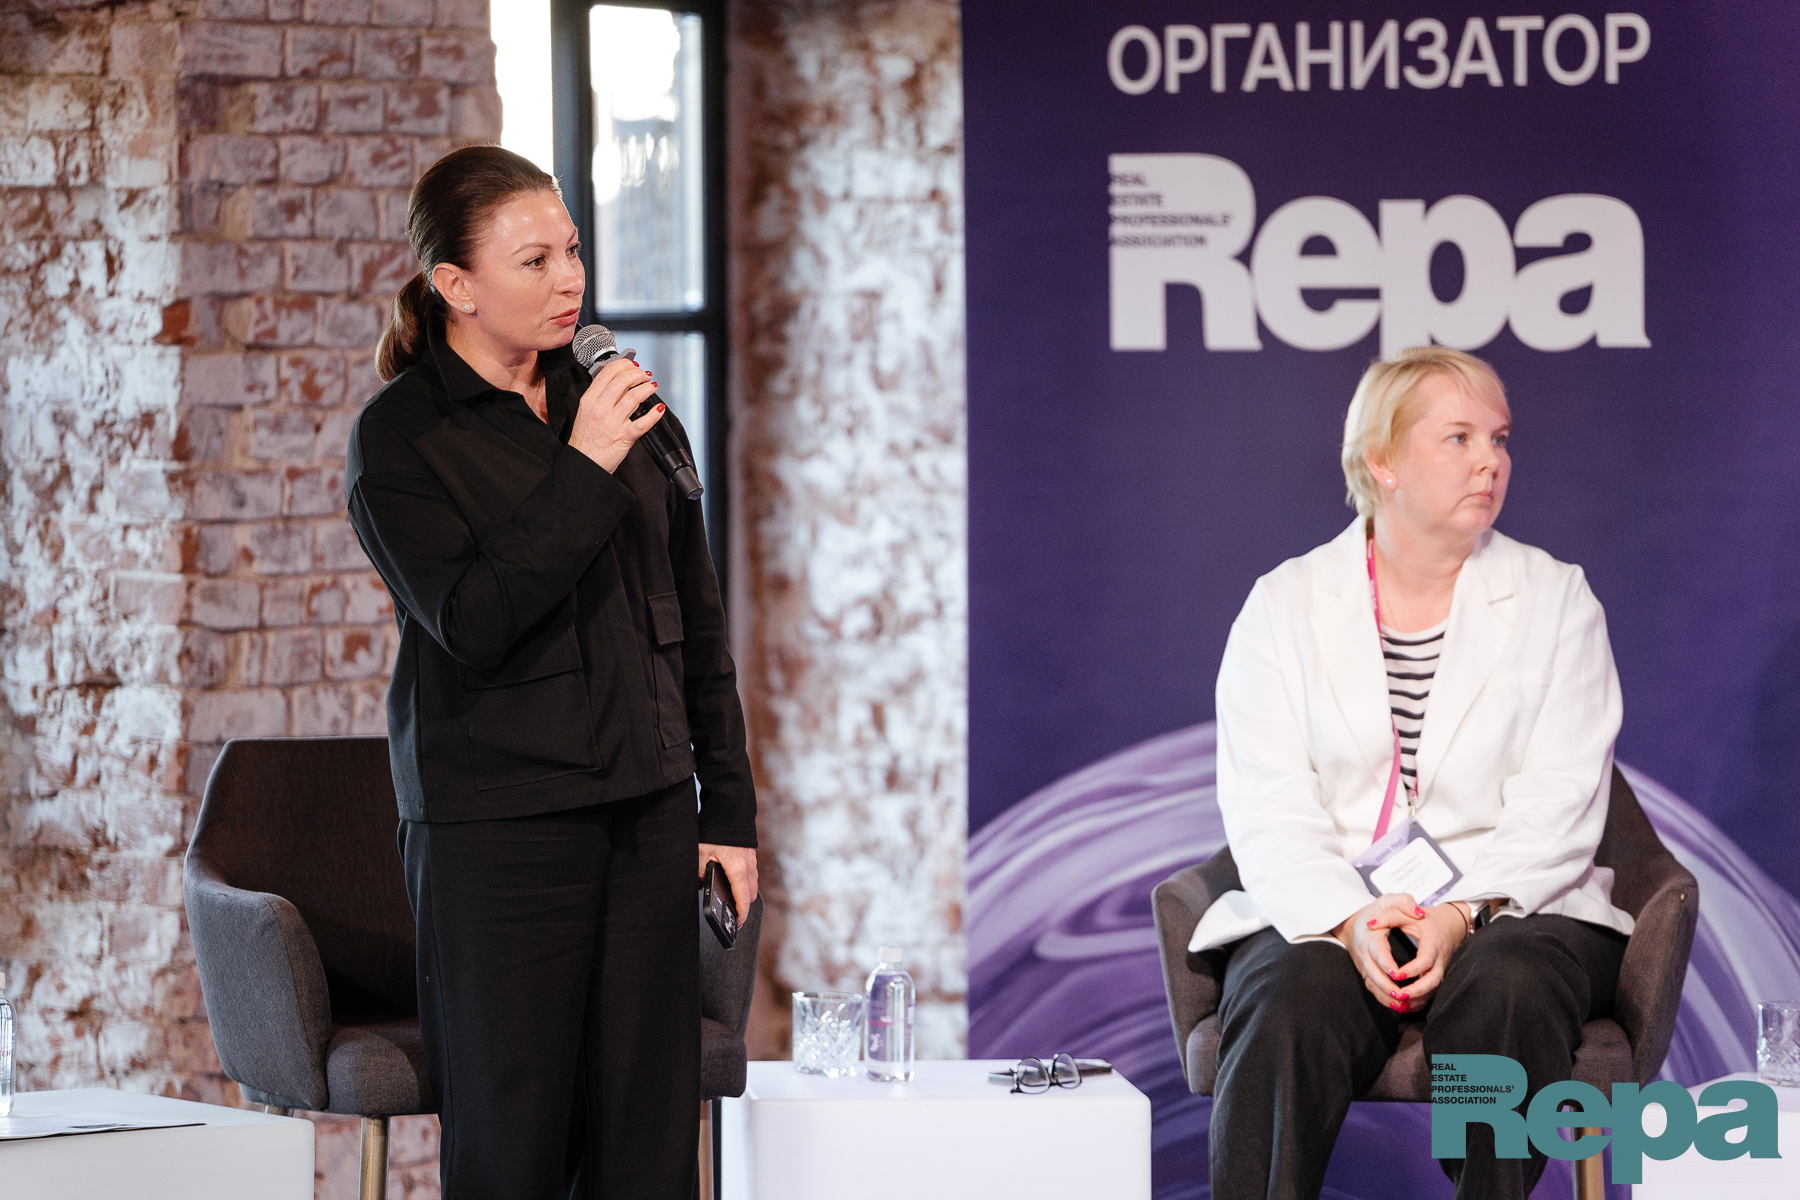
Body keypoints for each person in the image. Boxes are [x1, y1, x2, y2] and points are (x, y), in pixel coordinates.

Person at [345, 144, 758, 1199]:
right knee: (514, 1149)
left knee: (647, 1150)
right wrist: (583, 465)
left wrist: (729, 811)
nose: (570, 279)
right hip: (500, 836)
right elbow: (473, 622)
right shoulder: (402, 440)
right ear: (457, 285)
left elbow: (696, 621)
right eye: (534, 261)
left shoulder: (615, 400)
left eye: (572, 250)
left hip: (647, 816)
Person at [1193, 347, 1631, 1200]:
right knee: (1290, 997)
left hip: (1512, 906)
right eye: (1459, 438)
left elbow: (1560, 805)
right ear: (1382, 461)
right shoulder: (1283, 606)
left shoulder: (1557, 599)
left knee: (1506, 983)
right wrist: (1351, 919)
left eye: (1499, 438)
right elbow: (1268, 805)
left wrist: (1461, 915)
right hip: (1337, 907)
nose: (1490, 461)